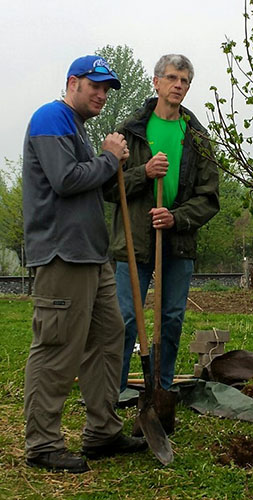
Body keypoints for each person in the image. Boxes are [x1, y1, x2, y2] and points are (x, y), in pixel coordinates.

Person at [22, 55, 147, 474]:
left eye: (107, 88)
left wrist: (110, 163)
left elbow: (86, 178)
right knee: (58, 348)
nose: (101, 94)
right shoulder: (51, 117)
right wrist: (109, 159)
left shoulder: (76, 129)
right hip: (63, 257)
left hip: (93, 258)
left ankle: (102, 431)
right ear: (72, 82)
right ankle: (42, 444)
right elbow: (65, 180)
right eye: (94, 85)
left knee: (110, 338)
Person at [103, 54, 219, 402]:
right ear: (156, 82)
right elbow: (109, 187)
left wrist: (176, 217)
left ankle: (162, 388)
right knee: (125, 318)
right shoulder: (130, 131)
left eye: (184, 80)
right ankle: (117, 390)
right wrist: (144, 173)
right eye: (172, 78)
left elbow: (209, 197)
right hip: (134, 240)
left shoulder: (197, 137)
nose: (178, 85)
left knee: (170, 318)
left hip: (177, 241)